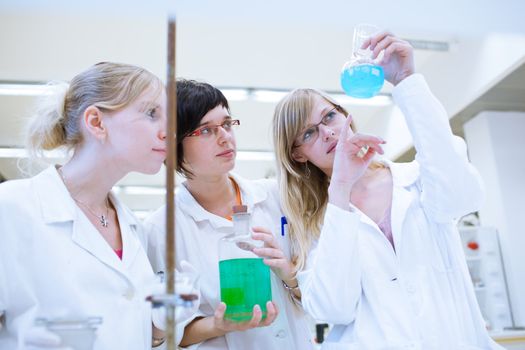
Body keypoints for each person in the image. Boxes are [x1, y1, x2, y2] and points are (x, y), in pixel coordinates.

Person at [272, 32, 503, 349]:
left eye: (329, 116)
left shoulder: (419, 178)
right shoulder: (316, 225)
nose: (327, 132)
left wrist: (407, 81)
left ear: (344, 115)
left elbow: (463, 196)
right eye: (309, 133)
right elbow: (333, 308)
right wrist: (340, 186)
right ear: (298, 155)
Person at [0, 62, 169, 349]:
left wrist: (158, 328)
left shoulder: (132, 228)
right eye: (152, 113)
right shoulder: (12, 208)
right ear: (96, 122)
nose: (168, 132)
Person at [145, 79, 314, 349]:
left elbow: (322, 289)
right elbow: (163, 333)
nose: (225, 136)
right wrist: (219, 325)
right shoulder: (160, 229)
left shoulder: (276, 196)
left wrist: (291, 275)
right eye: (206, 131)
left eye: (226, 124)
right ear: (174, 145)